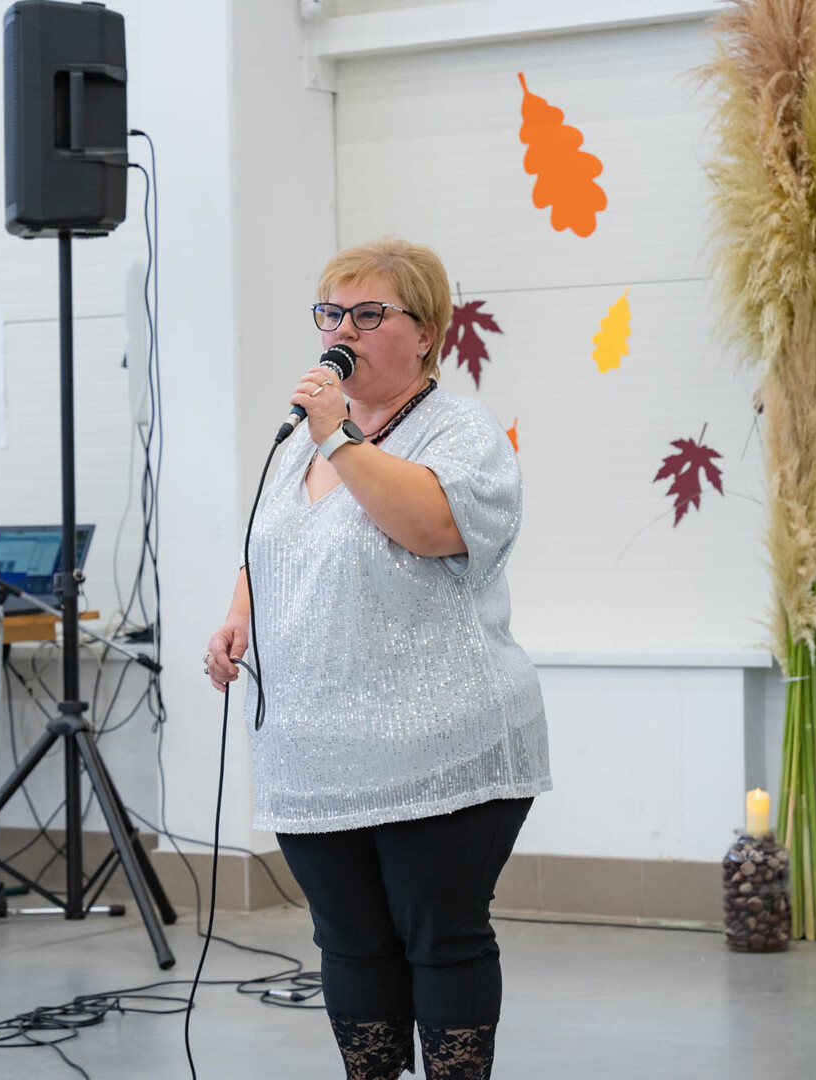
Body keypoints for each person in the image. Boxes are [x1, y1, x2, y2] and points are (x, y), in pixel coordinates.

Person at [205, 239, 551, 1080]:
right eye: (330, 313)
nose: (341, 331)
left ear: (426, 333)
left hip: (442, 745)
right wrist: (239, 613)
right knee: (350, 942)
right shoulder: (301, 446)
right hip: (317, 752)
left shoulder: (458, 430)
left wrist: (339, 437)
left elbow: (431, 526)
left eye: (368, 314)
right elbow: (272, 543)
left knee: (442, 938)